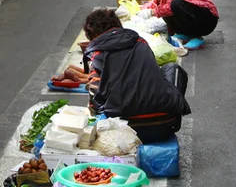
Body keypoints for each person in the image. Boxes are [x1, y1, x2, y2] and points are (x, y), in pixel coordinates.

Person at [60, 9, 190, 143]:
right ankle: (175, 123)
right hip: (164, 126)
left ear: (92, 35)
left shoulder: (97, 54)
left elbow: (95, 100)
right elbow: (152, 75)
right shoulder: (140, 42)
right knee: (173, 69)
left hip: (123, 131)